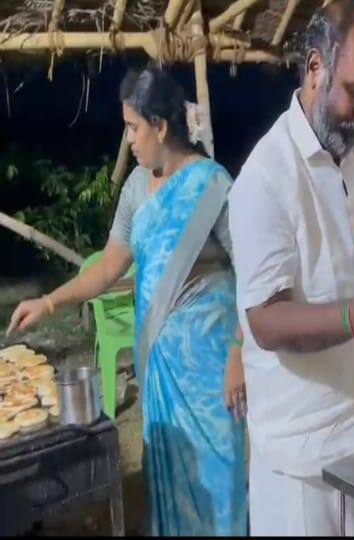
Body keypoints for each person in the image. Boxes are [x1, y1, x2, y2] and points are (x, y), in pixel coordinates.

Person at [7, 68, 247, 536]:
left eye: (134, 128)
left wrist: (240, 352)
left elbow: (252, 273)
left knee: (218, 492)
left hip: (211, 376)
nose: (129, 140)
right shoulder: (138, 188)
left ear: (160, 127)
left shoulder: (215, 186)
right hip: (160, 375)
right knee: (172, 494)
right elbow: (109, 265)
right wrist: (50, 302)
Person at [228, 0, 354, 535]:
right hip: (306, 461)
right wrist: (349, 318)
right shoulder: (266, 178)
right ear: (315, 69)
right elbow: (265, 320)